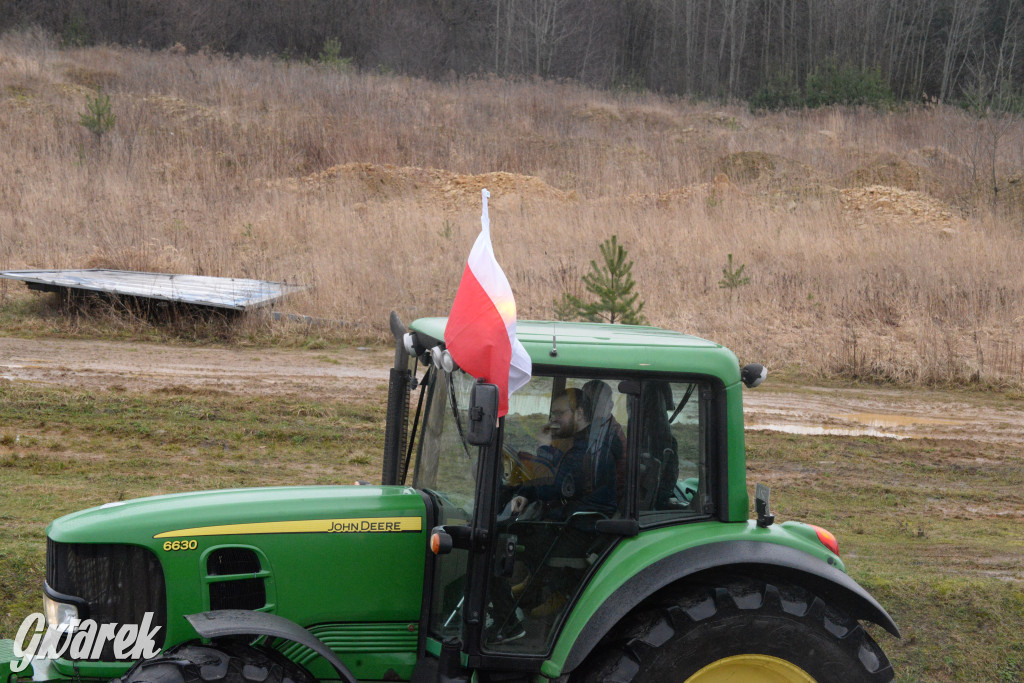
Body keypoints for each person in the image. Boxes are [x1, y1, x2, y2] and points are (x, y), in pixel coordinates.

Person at [509, 388, 620, 521]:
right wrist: (525, 494)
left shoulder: (589, 448)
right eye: (552, 414)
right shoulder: (575, 439)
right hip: (569, 516)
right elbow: (554, 471)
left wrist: (544, 447)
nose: (553, 420)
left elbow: (549, 489)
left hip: (580, 525)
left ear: (579, 414)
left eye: (559, 414)